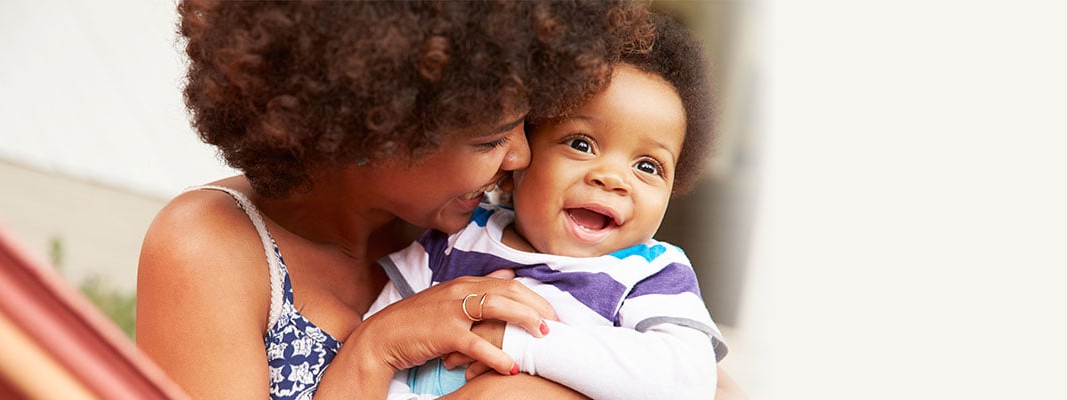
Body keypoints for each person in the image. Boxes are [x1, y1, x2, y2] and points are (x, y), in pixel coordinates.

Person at [135, 2, 661, 399]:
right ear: (371, 131)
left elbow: (708, 385)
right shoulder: (210, 250)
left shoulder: (490, 229)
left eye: (525, 125)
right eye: (489, 140)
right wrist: (375, 348)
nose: (522, 157)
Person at [369, 14, 725, 399]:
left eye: (647, 166)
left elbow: (687, 380)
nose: (612, 178)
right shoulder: (454, 240)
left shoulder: (651, 273)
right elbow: (382, 337)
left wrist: (523, 343)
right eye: (581, 144)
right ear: (521, 157)